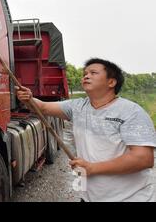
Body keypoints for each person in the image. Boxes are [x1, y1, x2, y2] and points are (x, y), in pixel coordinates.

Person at [16, 58, 156, 202]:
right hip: (89, 198)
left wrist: (93, 168)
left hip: (130, 198)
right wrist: (29, 99)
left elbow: (143, 159)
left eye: (93, 72)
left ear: (111, 82)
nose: (86, 76)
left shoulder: (131, 111)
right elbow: (43, 107)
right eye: (85, 73)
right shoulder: (77, 107)